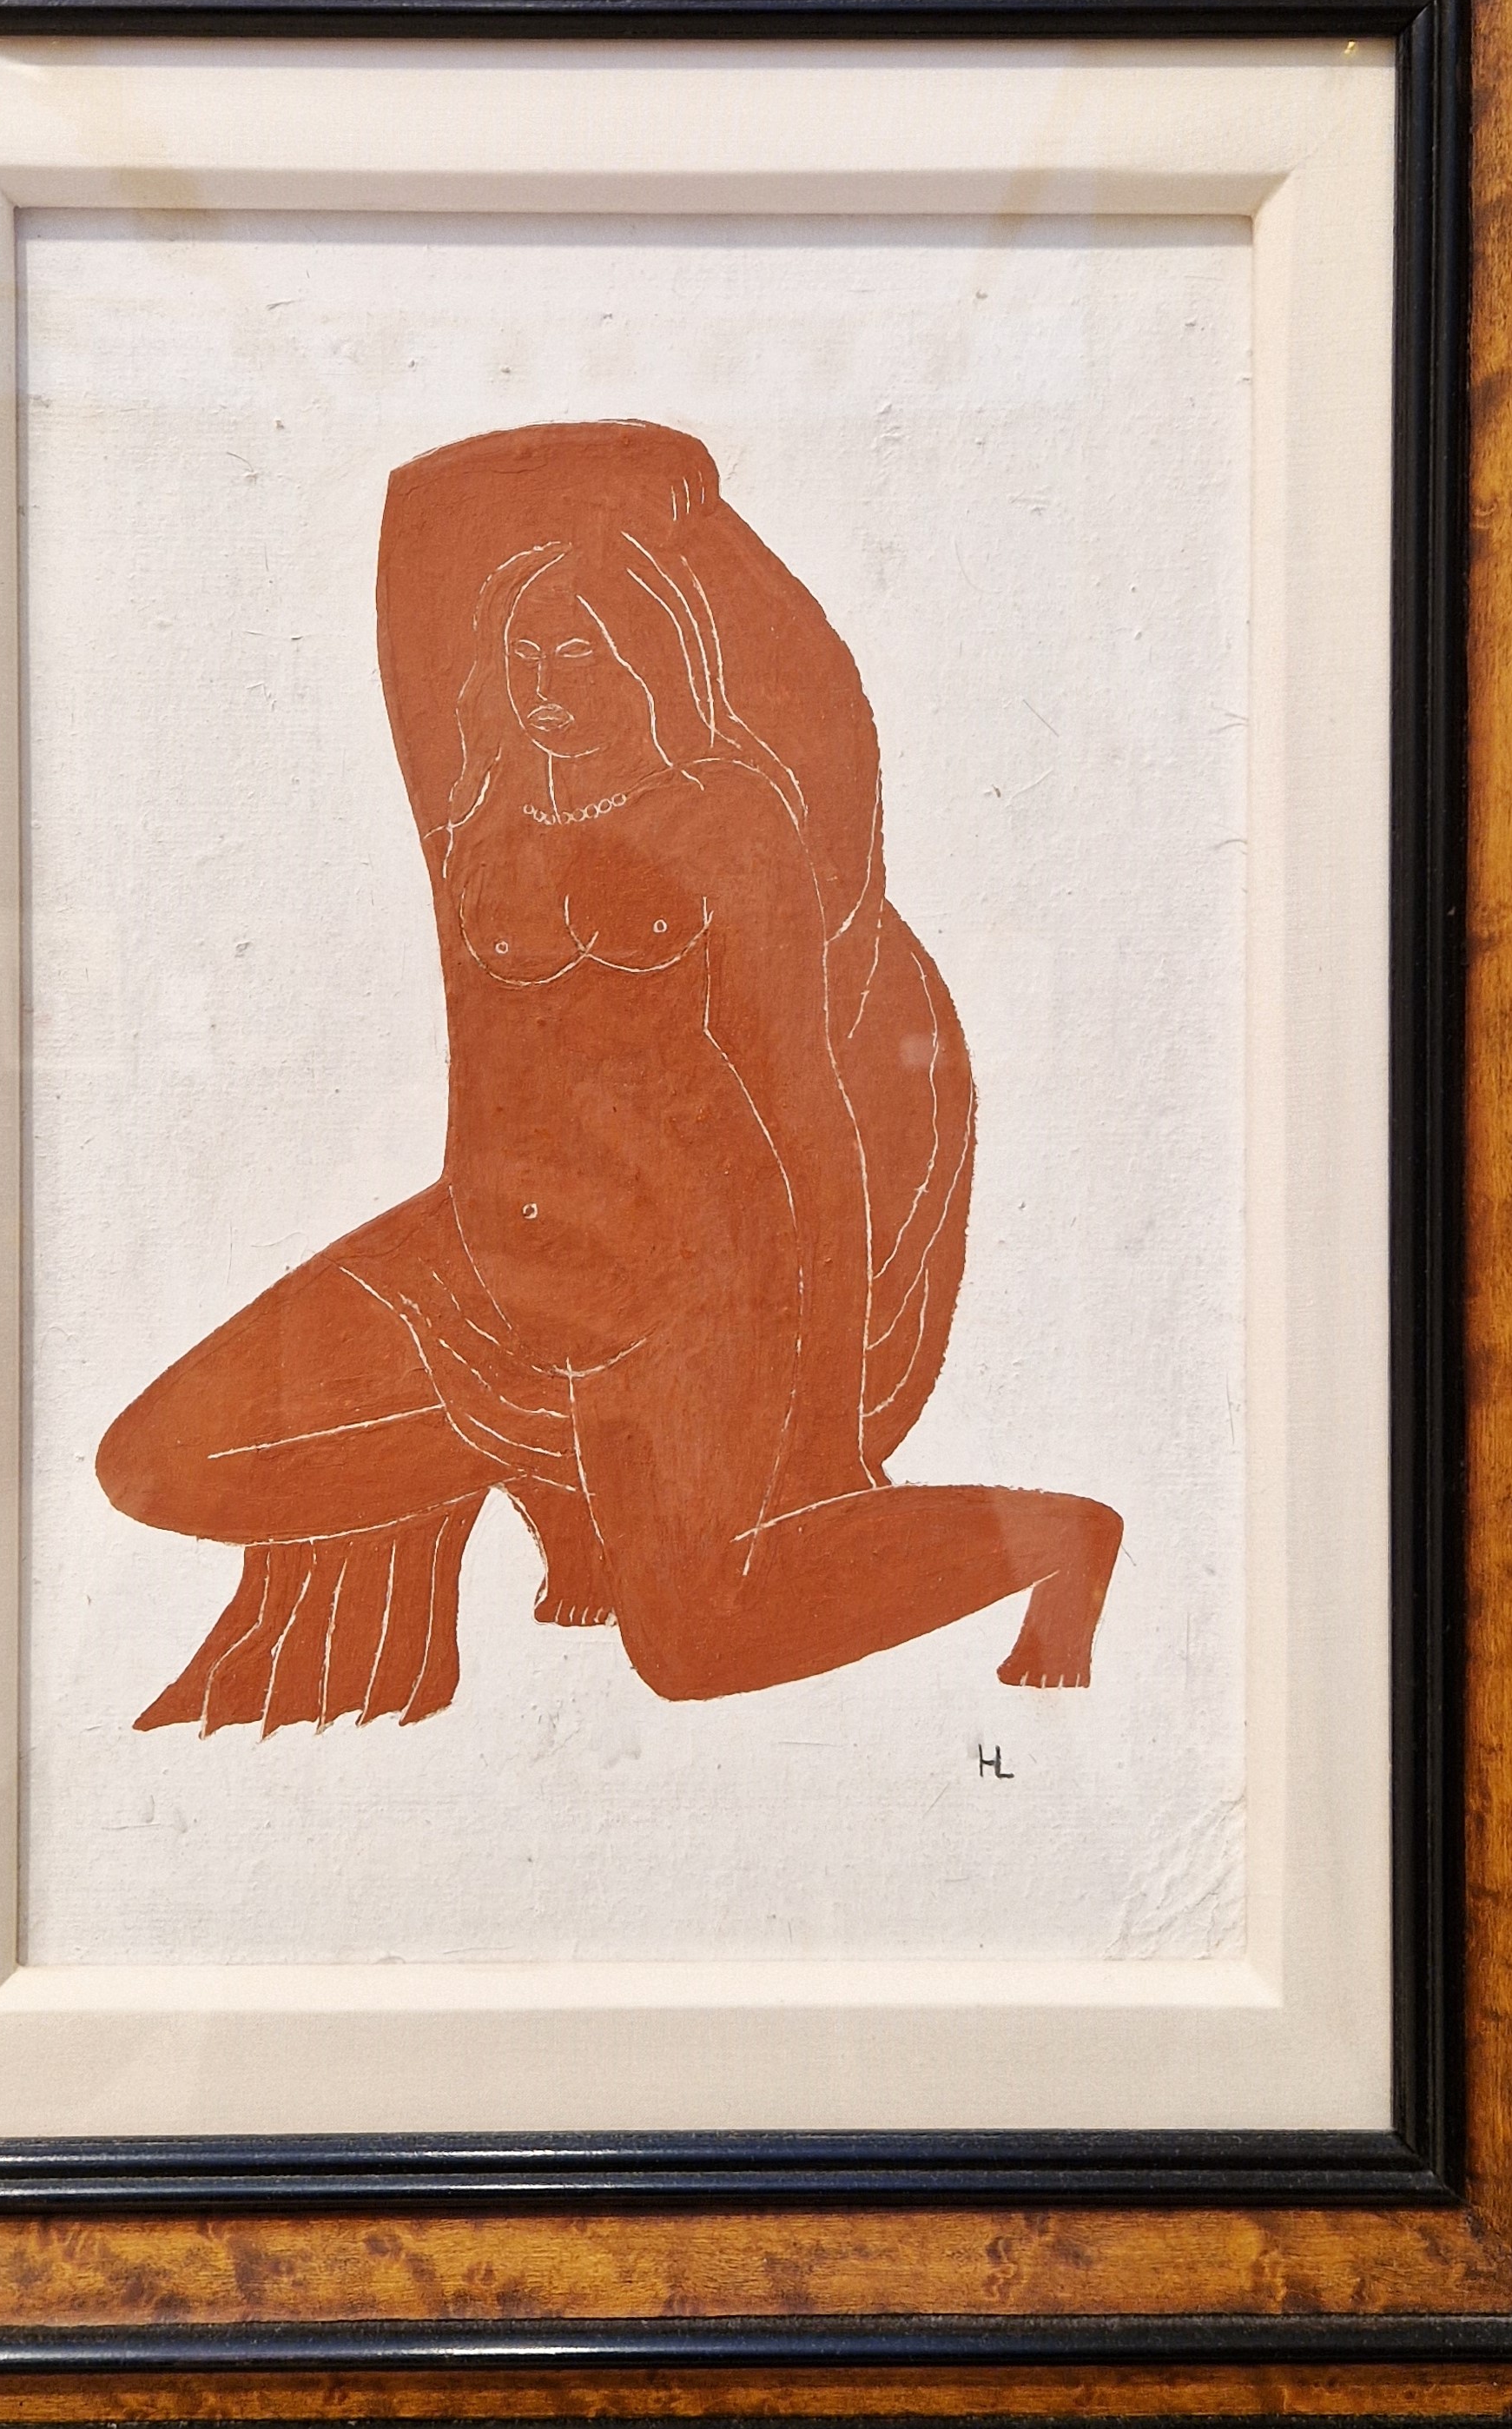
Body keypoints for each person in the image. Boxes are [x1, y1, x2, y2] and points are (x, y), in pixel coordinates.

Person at [97, 420, 1120, 1733]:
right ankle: (572, 1483)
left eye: (579, 651)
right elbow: (424, 566)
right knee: (162, 1463)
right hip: (488, 1253)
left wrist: (822, 1415)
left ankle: (1057, 1542)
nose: (544, 684)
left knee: (693, 1650)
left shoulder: (728, 817)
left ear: (651, 656)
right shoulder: (482, 811)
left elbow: (806, 1109)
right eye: (521, 655)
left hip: (688, 1286)